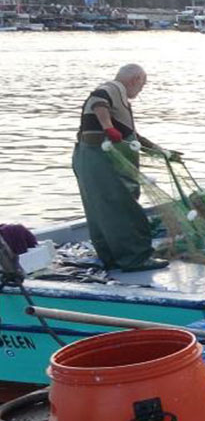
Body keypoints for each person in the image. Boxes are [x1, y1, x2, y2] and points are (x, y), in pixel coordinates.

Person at [73, 64, 169, 272]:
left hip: (90, 159)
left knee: (102, 209)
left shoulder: (121, 98)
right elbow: (99, 102)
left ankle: (111, 258)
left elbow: (131, 136)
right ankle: (135, 259)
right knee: (122, 209)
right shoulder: (112, 89)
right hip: (98, 158)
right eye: (142, 85)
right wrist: (108, 127)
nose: (141, 90)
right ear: (135, 79)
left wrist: (159, 150)